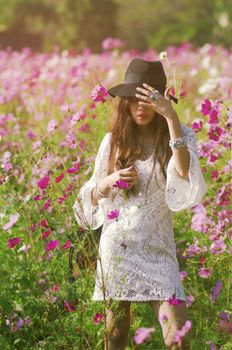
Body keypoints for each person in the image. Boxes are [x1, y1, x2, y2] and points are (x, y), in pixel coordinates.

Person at [72, 58, 208, 350]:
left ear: (161, 100)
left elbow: (184, 173)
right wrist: (109, 182)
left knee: (178, 338)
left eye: (149, 99)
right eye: (134, 99)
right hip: (118, 250)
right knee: (116, 337)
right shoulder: (113, 141)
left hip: (158, 251)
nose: (141, 107)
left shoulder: (182, 135)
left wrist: (172, 119)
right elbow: (90, 196)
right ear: (125, 103)